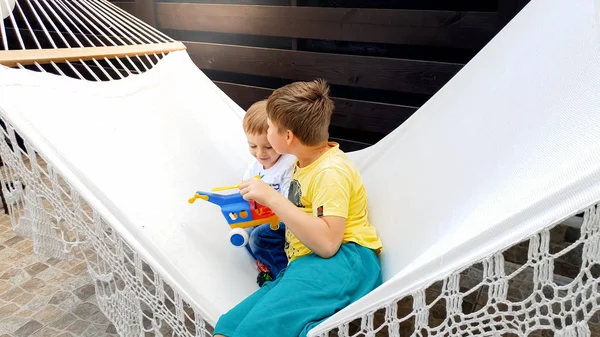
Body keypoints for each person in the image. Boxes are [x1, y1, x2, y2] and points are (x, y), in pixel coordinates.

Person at [214, 79, 383, 337]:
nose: (266, 131)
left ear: (288, 136)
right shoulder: (302, 161)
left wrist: (272, 198)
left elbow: (328, 244)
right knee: (228, 327)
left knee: (251, 331)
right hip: (303, 264)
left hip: (345, 260)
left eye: (269, 127)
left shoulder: (330, 172)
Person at [242, 99, 296, 286]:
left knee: (259, 237)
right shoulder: (255, 167)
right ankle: (265, 264)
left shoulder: (288, 164)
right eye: (253, 146)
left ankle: (282, 276)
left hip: (284, 218)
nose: (260, 153)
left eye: (268, 147)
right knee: (244, 233)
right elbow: (245, 190)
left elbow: (292, 203)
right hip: (262, 216)